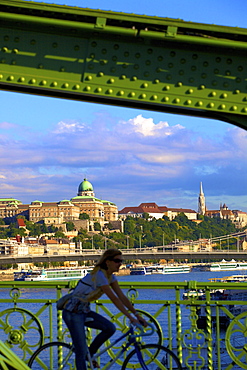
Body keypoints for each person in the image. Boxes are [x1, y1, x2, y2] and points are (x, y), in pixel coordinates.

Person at [62, 248, 147, 370]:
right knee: (80, 350)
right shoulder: (100, 275)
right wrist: (130, 317)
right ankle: (85, 356)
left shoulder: (110, 277)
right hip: (72, 312)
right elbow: (114, 299)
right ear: (107, 262)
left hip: (84, 310)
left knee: (110, 328)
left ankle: (89, 355)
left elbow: (122, 296)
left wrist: (137, 315)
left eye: (121, 261)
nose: (120, 264)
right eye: (117, 261)